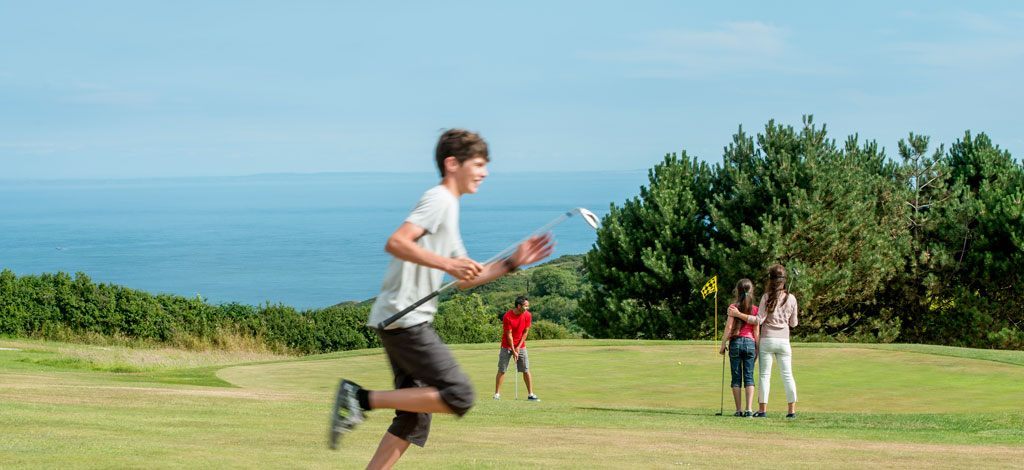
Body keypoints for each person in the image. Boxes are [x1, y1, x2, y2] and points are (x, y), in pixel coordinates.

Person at [329, 129, 555, 469]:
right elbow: (397, 242)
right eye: (478, 164)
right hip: (406, 319)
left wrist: (512, 263)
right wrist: (448, 263)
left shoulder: (449, 208)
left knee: (412, 418)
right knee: (459, 395)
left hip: (400, 318)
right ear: (453, 164)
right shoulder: (439, 200)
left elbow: (464, 281)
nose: (485, 172)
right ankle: (359, 398)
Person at [728, 264, 799, 418]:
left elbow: (758, 320)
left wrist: (739, 314)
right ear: (784, 280)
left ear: (771, 280)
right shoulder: (792, 298)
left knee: (764, 375)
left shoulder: (766, 297)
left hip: (767, 340)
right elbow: (794, 323)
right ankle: (791, 411)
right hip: (784, 342)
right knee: (787, 375)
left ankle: (762, 411)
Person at [718, 279, 758, 417]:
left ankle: (738, 410)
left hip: (735, 343)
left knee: (736, 378)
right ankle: (749, 410)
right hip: (750, 344)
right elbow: (756, 331)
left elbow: (729, 327)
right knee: (749, 377)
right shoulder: (755, 309)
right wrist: (757, 347)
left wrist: (723, 345)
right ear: (751, 291)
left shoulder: (733, 307)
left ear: (737, 291)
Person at [494, 296, 539, 401]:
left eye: (528, 306)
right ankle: (496, 394)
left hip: (521, 345)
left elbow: (525, 332)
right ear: (519, 306)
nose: (527, 308)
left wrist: (518, 347)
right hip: (506, 346)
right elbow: (508, 335)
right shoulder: (507, 316)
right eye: (526, 306)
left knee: (526, 370)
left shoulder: (527, 315)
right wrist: (513, 350)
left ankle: (530, 394)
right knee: (502, 369)